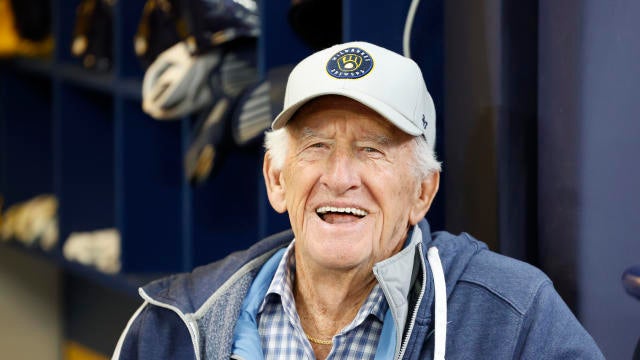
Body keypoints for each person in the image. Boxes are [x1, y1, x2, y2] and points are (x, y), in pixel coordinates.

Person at [112, 41, 604, 359]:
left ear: (422, 192)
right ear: (277, 179)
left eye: (373, 149)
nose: (340, 177)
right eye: (316, 146)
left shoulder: (512, 317)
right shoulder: (172, 325)